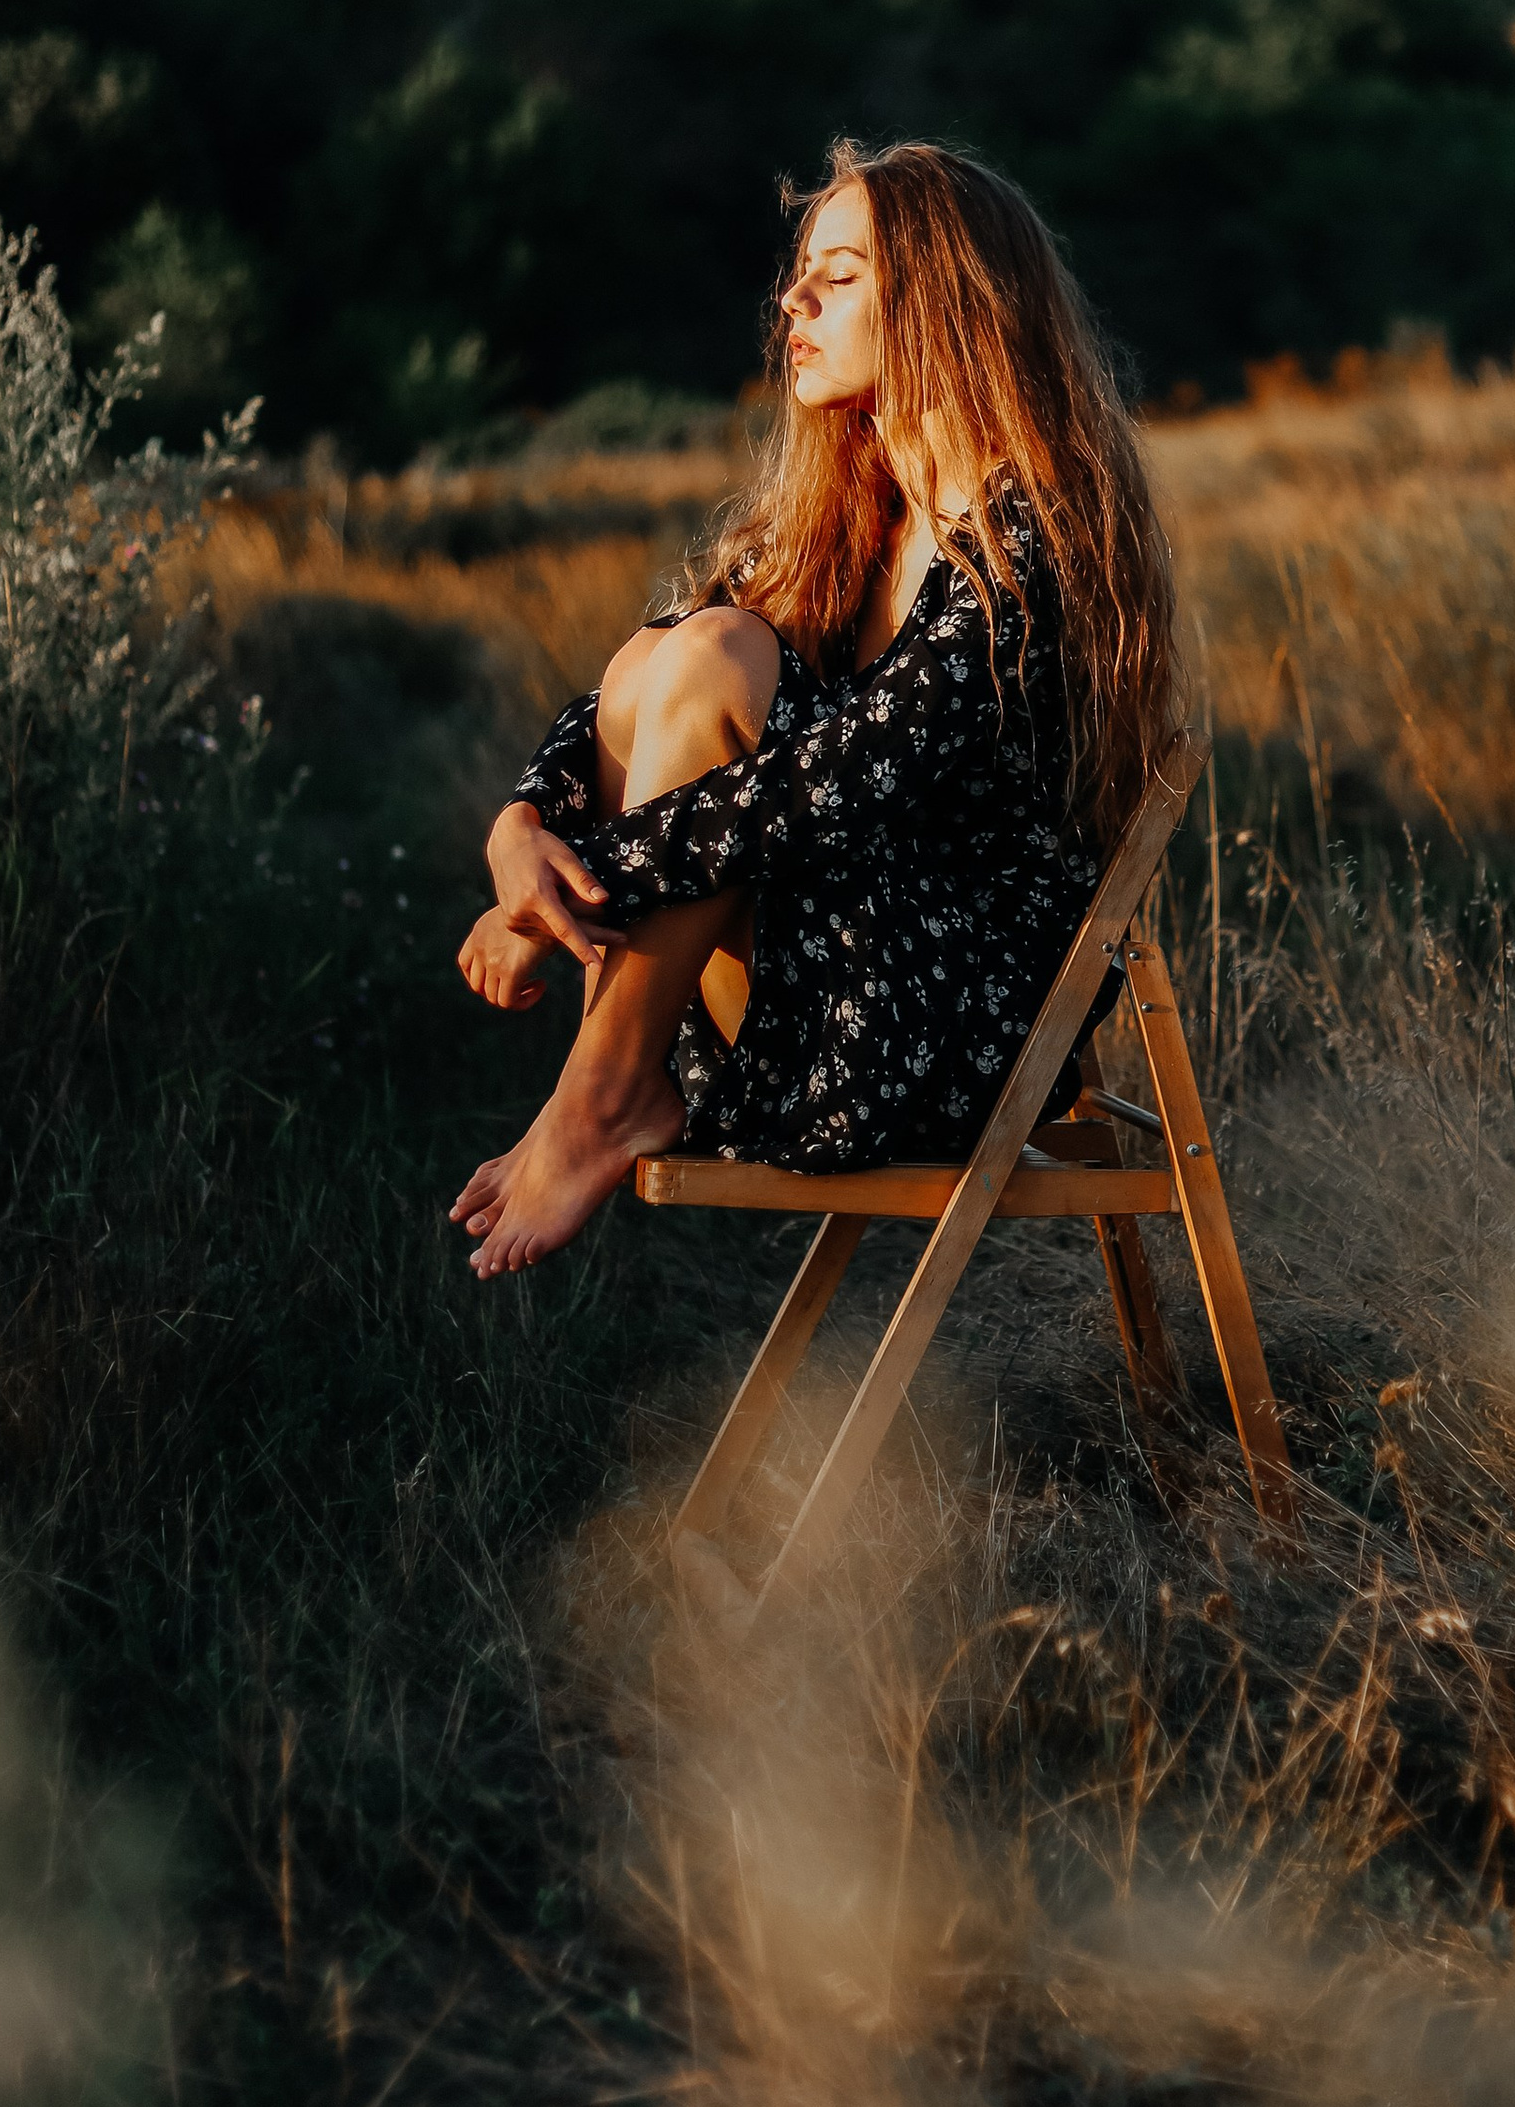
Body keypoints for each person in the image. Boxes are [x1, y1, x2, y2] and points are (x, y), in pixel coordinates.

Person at [447, 139, 1181, 1275]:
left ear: (947, 302)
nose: (792, 302)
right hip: (818, 1000)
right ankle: (613, 1081)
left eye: (838, 278)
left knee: (715, 659)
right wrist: (522, 832)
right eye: (799, 277)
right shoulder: (855, 514)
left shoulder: (1029, 531)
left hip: (937, 1040)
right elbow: (622, 695)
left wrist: (571, 892)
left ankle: (600, 1093)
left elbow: (829, 785)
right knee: (674, 652)